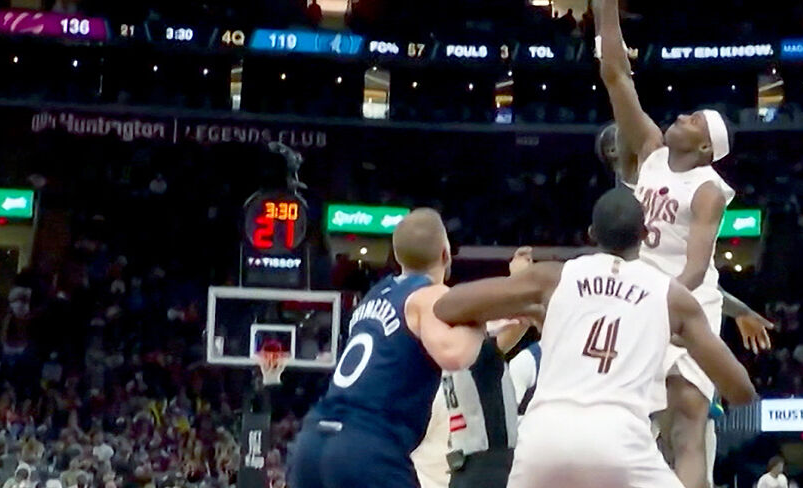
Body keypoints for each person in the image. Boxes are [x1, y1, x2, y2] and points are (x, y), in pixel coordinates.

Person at [592, 0, 771, 488]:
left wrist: (660, 304)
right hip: (639, 295)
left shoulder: (709, 188)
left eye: (695, 119)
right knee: (639, 425)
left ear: (706, 147)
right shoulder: (649, 150)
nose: (683, 116)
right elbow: (616, 76)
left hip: (687, 301)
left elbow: (695, 267)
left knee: (688, 422)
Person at [432, 187, 757, 488]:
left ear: (591, 234)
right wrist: (683, 341)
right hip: (619, 438)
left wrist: (521, 305)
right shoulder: (671, 296)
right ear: (645, 235)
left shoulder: (553, 277)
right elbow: (741, 391)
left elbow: (447, 306)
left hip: (545, 436)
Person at [287, 208, 485, 488]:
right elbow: (454, 355)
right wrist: (479, 320)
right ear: (445, 254)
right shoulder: (430, 294)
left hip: (311, 443)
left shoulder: (374, 295)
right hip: (367, 446)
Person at [442, 248, 536, 488]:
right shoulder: (478, 353)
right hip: (490, 467)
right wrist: (520, 277)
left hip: (465, 470)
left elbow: (515, 328)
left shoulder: (454, 354)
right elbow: (522, 314)